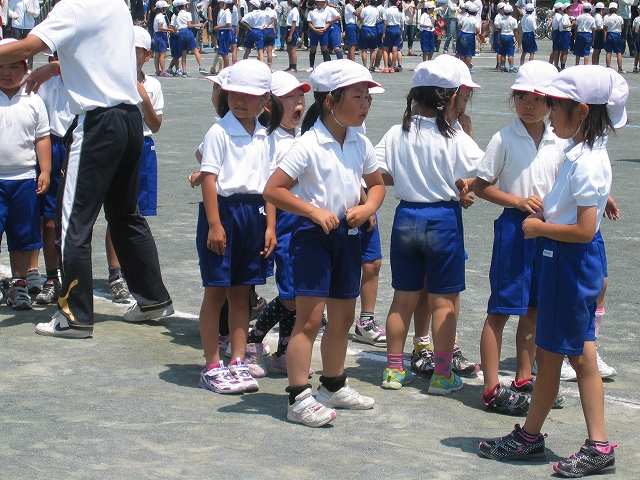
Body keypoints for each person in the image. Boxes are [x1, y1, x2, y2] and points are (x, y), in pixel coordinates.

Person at [479, 64, 626, 479]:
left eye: (555, 105)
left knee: (570, 357)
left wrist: (540, 227)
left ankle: (591, 444)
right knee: (565, 355)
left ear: (581, 111)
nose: (548, 111)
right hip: (564, 262)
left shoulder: (587, 161)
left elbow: (584, 230)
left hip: (568, 262)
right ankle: (535, 436)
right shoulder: (578, 153)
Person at [0, 0, 174, 337]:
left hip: (97, 124)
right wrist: (54, 68)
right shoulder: (117, 6)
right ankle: (153, 297)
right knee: (125, 215)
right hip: (129, 120)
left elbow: (28, 47)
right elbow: (101, 58)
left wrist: (49, 65)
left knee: (72, 222)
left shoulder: (72, 8)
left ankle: (75, 315)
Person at [264, 60, 385, 427]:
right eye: (357, 97)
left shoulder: (360, 142)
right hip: (312, 238)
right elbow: (273, 190)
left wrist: (367, 207)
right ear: (331, 101)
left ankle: (332, 385)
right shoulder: (307, 144)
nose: (365, 104)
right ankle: (298, 397)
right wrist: (314, 212)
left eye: (367, 98)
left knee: (343, 317)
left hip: (348, 237)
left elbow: (377, 185)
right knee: (309, 319)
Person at [376, 57, 481, 393]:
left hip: (406, 216)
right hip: (442, 219)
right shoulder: (454, 135)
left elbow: (374, 172)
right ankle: (442, 374)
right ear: (451, 98)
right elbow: (482, 172)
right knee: (443, 302)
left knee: (402, 299)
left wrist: (409, 179)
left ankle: (394, 369)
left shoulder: (397, 132)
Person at [474, 60, 567, 415]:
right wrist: (517, 201)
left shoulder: (559, 139)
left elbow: (568, 180)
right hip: (515, 229)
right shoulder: (503, 138)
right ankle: (490, 388)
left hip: (547, 229)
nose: (529, 104)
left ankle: (524, 378)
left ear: (552, 103)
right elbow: (481, 186)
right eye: (522, 96)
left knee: (534, 309)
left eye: (538, 98)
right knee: (500, 310)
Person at [197, 59, 281, 394]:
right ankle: (211, 365)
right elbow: (209, 179)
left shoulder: (265, 134)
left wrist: (270, 226)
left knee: (241, 293)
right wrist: (214, 224)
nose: (239, 100)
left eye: (248, 95)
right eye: (233, 93)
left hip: (254, 215)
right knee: (216, 291)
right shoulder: (219, 131)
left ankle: (237, 360)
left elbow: (270, 186)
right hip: (224, 213)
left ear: (265, 99)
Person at [245, 71, 311, 376]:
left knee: (297, 290)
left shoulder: (300, 136)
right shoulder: (268, 139)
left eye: (301, 96)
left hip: (302, 218)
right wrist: (271, 227)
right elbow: (270, 190)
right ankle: (254, 338)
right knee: (291, 295)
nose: (298, 102)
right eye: (289, 97)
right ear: (269, 105)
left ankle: (284, 351)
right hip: (284, 220)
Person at [103, 26, 165, 304]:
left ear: (147, 55)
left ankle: (135, 273)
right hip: (116, 146)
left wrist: (143, 97)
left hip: (143, 147)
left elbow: (155, 124)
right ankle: (115, 274)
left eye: (135, 51)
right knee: (117, 211)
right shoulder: (109, 81)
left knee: (135, 212)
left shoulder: (152, 85)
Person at [0, 38, 50, 311]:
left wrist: (45, 170)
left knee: (22, 237)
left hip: (24, 180)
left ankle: (18, 285)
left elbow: (42, 138)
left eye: (13, 67)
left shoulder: (34, 100)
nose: (6, 73)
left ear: (26, 67)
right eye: (0, 66)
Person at [34, 53, 74, 306]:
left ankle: (75, 277)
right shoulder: (45, 85)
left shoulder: (88, 80)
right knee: (49, 220)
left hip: (82, 145)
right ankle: (52, 278)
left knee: (77, 221)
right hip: (52, 146)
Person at [173, 0, 207, 75]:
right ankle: (201, 67)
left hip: (181, 33)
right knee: (195, 49)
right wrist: (198, 25)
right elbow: (190, 25)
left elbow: (173, 26)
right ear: (184, 6)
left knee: (183, 53)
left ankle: (184, 71)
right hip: (188, 32)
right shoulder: (188, 14)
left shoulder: (177, 15)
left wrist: (176, 31)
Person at [8, 0, 40, 69]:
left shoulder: (33, 0)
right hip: (17, 25)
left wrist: (32, 12)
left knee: (29, 47)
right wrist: (13, 15)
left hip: (29, 26)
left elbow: (38, 12)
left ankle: (29, 67)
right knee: (16, 47)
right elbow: (9, 10)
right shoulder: (14, 0)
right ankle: (16, 65)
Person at [306, 0, 331, 72]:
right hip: (314, 30)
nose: (323, 3)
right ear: (317, 2)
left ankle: (326, 66)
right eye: (321, 2)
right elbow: (309, 22)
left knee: (324, 48)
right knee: (313, 48)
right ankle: (311, 66)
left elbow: (328, 22)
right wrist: (315, 30)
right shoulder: (312, 12)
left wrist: (324, 29)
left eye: (323, 2)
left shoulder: (326, 12)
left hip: (323, 30)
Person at [457, 1, 480, 72]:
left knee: (462, 52)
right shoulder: (475, 20)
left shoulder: (464, 18)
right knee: (469, 54)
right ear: (475, 13)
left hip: (463, 34)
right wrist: (476, 33)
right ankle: (467, 68)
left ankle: (462, 68)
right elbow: (478, 30)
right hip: (470, 35)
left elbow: (459, 26)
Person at [381, 0, 404, 72]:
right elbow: (402, 23)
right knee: (395, 48)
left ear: (389, 2)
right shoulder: (399, 10)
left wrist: (383, 33)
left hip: (389, 28)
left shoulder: (387, 10)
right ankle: (392, 67)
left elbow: (385, 23)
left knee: (385, 48)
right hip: (397, 28)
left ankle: (386, 66)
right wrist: (401, 34)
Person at [358, 0, 380, 70]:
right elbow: (377, 19)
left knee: (364, 49)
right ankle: (371, 65)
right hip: (373, 28)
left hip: (365, 28)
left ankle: (365, 66)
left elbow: (361, 20)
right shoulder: (376, 10)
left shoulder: (364, 9)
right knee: (373, 49)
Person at [152, 1, 172, 76]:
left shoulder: (157, 15)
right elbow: (160, 27)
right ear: (161, 8)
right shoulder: (160, 16)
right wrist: (169, 30)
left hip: (157, 35)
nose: (167, 8)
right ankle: (163, 71)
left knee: (157, 53)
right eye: (165, 7)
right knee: (163, 54)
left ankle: (157, 70)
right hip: (161, 35)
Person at [604, 2, 625, 73]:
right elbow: (622, 27)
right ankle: (620, 68)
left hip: (609, 34)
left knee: (608, 52)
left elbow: (605, 28)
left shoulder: (606, 17)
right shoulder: (620, 17)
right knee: (619, 52)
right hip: (617, 34)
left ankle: (608, 66)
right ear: (616, 9)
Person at [498, 3, 518, 73]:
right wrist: (517, 39)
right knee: (510, 53)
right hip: (510, 36)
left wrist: (498, 39)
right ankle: (511, 67)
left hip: (503, 36)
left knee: (503, 53)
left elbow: (499, 30)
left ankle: (503, 66)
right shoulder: (513, 20)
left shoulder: (501, 19)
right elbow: (515, 31)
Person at [284, 0, 301, 71]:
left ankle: (294, 66)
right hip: (289, 28)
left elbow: (294, 23)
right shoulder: (291, 10)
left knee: (292, 48)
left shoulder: (295, 11)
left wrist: (290, 35)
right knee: (289, 48)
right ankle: (290, 65)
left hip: (292, 29)